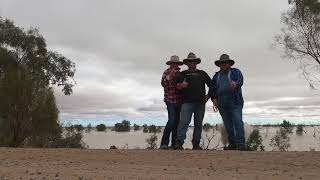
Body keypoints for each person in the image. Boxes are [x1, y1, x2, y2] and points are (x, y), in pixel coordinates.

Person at [174, 52, 212, 150]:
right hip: (186, 102)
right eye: (190, 61)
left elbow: (212, 85)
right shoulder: (183, 74)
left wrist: (208, 96)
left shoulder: (202, 73)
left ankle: (196, 144)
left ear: (196, 62)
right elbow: (176, 86)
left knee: (198, 124)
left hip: (200, 103)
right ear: (187, 63)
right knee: (183, 122)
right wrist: (181, 85)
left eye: (193, 61)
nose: (192, 63)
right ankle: (179, 143)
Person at [211, 54, 245, 150]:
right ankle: (233, 144)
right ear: (219, 65)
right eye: (222, 63)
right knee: (228, 124)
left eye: (226, 63)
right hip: (222, 102)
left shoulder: (236, 72)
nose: (224, 65)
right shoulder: (216, 76)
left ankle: (241, 144)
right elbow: (212, 89)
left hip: (235, 101)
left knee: (238, 121)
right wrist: (214, 99)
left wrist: (236, 83)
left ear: (230, 64)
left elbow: (240, 80)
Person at [160, 55, 184, 149]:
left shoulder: (180, 74)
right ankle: (164, 143)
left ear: (178, 64)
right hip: (169, 99)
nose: (174, 64)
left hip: (179, 100)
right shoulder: (166, 72)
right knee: (171, 120)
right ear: (170, 64)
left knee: (177, 122)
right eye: (173, 63)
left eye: (176, 63)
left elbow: (182, 87)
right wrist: (169, 76)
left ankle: (174, 144)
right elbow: (163, 84)